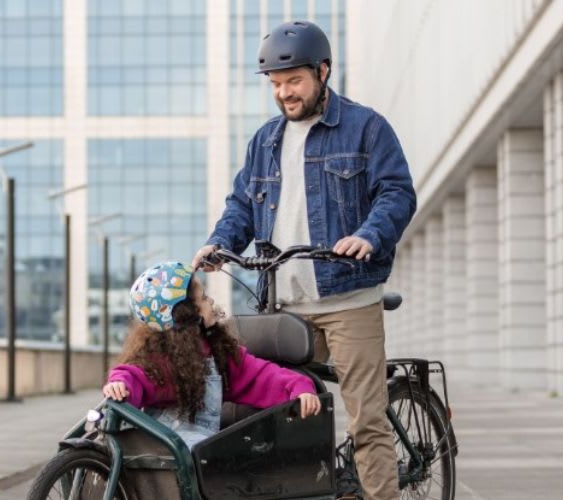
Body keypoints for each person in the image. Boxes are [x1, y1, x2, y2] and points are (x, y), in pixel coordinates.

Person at [191, 20, 416, 500]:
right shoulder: (265, 141)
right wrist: (219, 243)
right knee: (269, 407)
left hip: (347, 297)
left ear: (323, 72)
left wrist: (368, 235)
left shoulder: (365, 128)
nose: (285, 93)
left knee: (366, 420)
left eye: (294, 81)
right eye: (276, 84)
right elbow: (242, 206)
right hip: (285, 303)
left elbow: (396, 193)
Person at [103, 262, 322, 448]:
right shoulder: (158, 360)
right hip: (161, 445)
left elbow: (261, 375)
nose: (211, 302)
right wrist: (120, 385)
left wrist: (298, 387)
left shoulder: (219, 355)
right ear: (188, 314)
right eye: (204, 298)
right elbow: (133, 376)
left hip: (197, 449)